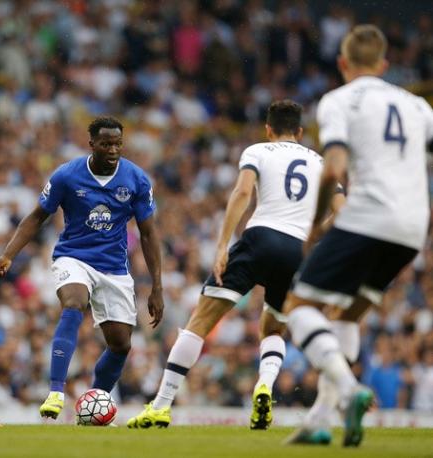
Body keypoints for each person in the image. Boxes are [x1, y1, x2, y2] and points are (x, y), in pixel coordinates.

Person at [127, 100, 344, 429]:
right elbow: (342, 210)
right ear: (300, 131)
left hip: (259, 238)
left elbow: (243, 192)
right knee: (273, 328)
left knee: (200, 320)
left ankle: (160, 405)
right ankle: (265, 386)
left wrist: (221, 244)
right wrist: (314, 234)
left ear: (268, 129)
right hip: (297, 249)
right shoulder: (321, 163)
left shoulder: (258, 151)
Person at [283, 24, 433, 447]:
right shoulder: (419, 106)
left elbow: (332, 168)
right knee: (346, 315)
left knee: (297, 307)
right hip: (411, 227)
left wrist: (313, 226)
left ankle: (350, 390)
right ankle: (319, 420)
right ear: (384, 65)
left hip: (367, 216)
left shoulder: (339, 101)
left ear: (343, 63)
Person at [0, 116, 164, 420]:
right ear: (92, 143)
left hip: (113, 267)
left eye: (118, 144)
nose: (113, 149)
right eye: (106, 143)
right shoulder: (66, 176)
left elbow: (148, 233)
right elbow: (35, 217)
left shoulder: (136, 179)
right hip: (74, 257)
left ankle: (94, 403)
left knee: (121, 344)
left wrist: (157, 287)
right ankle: (56, 391)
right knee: (74, 302)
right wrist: (8, 255)